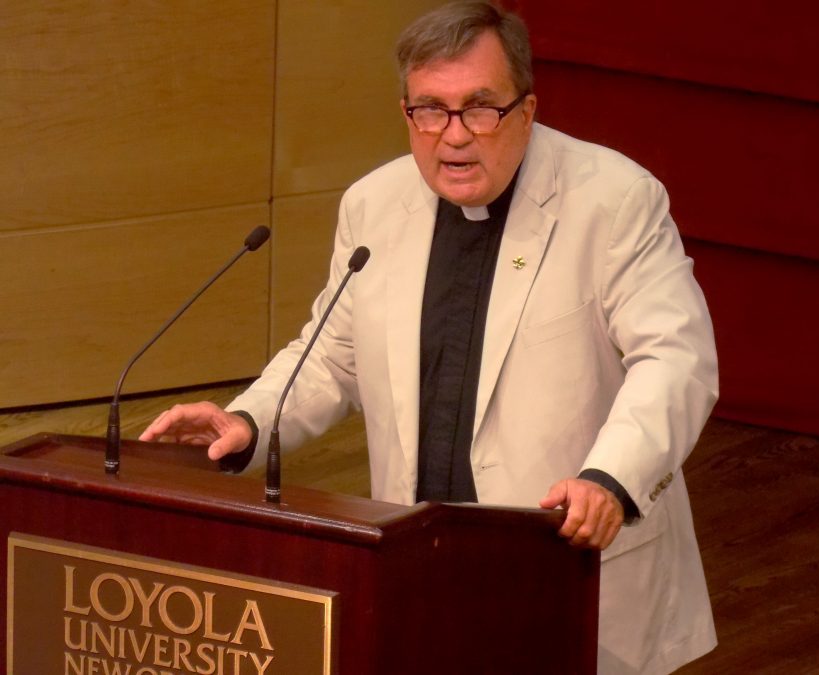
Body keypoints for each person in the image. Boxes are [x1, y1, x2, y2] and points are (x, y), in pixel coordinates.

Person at [141, 2, 718, 672]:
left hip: (567, 565)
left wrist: (609, 478)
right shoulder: (373, 205)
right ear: (407, 114)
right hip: (425, 563)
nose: (454, 136)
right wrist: (246, 419)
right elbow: (332, 355)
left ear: (525, 111)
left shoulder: (614, 200)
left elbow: (676, 358)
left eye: (479, 107)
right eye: (430, 110)